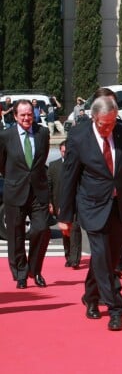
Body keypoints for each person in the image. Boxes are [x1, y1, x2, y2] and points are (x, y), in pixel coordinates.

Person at [58, 96, 122, 331]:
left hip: (120, 206)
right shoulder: (79, 136)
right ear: (94, 118)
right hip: (92, 205)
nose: (109, 128)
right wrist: (65, 216)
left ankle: (91, 297)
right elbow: (69, 176)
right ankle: (115, 308)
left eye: (113, 122)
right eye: (105, 124)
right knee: (102, 254)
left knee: (109, 258)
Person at [0, 99, 51, 289]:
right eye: (22, 115)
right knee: (16, 235)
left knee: (42, 229)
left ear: (34, 113)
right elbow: (2, 163)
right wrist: (15, 179)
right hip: (15, 191)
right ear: (15, 116)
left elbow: (42, 157)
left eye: (29, 114)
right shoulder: (5, 136)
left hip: (38, 191)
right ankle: (20, 273)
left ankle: (34, 270)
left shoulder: (43, 133)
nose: (27, 118)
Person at [48, 140, 82, 269]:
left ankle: (75, 259)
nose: (65, 154)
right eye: (63, 152)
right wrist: (50, 203)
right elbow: (49, 186)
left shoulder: (78, 165)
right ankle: (68, 256)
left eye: (67, 152)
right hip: (59, 204)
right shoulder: (53, 166)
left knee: (75, 230)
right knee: (65, 231)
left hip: (75, 203)